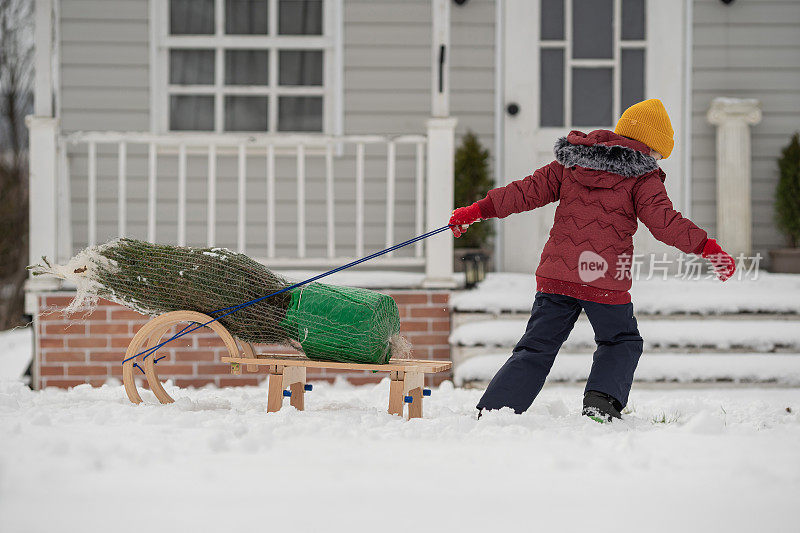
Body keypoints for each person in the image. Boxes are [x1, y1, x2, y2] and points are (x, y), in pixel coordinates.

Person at [449, 99, 735, 422]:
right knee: (621, 340)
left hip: (557, 276)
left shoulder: (573, 161)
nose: (656, 161)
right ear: (650, 147)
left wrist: (476, 212)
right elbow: (664, 222)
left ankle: (495, 410)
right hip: (602, 280)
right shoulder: (642, 176)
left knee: (535, 348)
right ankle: (601, 404)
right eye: (657, 154)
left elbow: (524, 191)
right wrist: (708, 247)